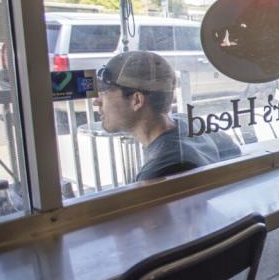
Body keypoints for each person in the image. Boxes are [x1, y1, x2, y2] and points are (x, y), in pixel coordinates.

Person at [94, 50, 238, 181]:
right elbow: (233, 152)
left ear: (137, 100)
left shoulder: (159, 173)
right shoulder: (189, 123)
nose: (96, 102)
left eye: (104, 93)